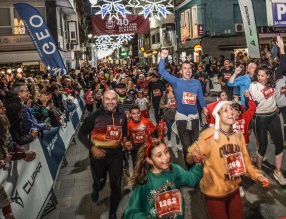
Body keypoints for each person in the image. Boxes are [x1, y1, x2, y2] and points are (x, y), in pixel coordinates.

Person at [187, 101, 270, 219]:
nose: (231, 112)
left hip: (234, 189)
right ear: (218, 116)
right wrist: (194, 157)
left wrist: (258, 176)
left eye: (231, 109)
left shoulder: (238, 135)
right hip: (214, 194)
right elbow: (189, 157)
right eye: (225, 110)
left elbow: (246, 163)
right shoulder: (208, 135)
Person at [78, 90, 132, 219]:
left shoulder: (122, 115)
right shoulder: (94, 115)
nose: (110, 102)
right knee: (101, 182)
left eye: (113, 99)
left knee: (116, 185)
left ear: (117, 100)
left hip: (116, 156)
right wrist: (93, 149)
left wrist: (125, 143)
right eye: (107, 99)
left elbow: (123, 134)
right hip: (98, 156)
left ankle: (112, 213)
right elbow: (81, 134)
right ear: (102, 99)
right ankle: (96, 187)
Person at [124, 138, 203, 219]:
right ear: (150, 160)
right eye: (159, 155)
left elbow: (192, 179)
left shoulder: (174, 170)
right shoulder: (143, 181)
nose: (165, 158)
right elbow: (131, 211)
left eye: (166, 151)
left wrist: (198, 163)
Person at [158, 49, 208, 168]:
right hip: (181, 119)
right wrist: (162, 58)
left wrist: (205, 108)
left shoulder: (196, 83)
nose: (187, 70)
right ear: (180, 71)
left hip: (195, 119)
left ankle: (197, 170)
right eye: (185, 68)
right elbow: (162, 71)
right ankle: (190, 170)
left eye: (189, 68)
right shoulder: (176, 82)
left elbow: (200, 98)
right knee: (186, 147)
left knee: (196, 146)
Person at [248, 35, 286, 186]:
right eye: (258, 75)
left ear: (268, 76)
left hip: (273, 115)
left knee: (279, 144)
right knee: (263, 145)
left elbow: (283, 66)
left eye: (263, 75)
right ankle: (258, 170)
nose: (260, 78)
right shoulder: (254, 86)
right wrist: (249, 96)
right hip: (260, 118)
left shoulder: (271, 81)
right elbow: (257, 99)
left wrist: (281, 48)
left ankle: (278, 172)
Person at [159, 84, 181, 149]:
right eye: (171, 86)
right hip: (167, 115)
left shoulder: (177, 95)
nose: (172, 87)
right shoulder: (165, 96)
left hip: (176, 115)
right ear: (168, 87)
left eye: (173, 86)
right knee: (170, 129)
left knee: (177, 129)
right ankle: (169, 140)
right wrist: (166, 106)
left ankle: (178, 144)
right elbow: (160, 106)